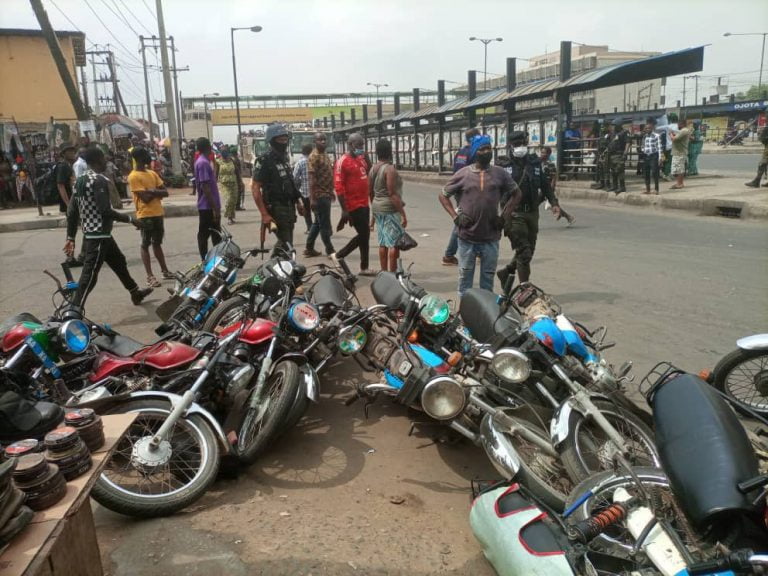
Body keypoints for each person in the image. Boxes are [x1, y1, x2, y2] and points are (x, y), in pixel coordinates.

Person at [63, 146, 151, 313]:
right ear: (97, 160)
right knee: (89, 275)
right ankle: (74, 310)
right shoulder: (99, 180)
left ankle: (135, 292)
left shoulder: (80, 181)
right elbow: (105, 211)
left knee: (118, 261)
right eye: (103, 159)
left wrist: (71, 237)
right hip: (98, 234)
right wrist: (131, 220)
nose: (106, 162)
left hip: (93, 233)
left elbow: (72, 211)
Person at [440, 134, 518, 297]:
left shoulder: (500, 173)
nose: (486, 151)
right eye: (482, 149)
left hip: (491, 239)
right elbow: (443, 195)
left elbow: (516, 194)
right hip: (467, 238)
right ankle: (464, 315)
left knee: (487, 283)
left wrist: (504, 217)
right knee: (465, 283)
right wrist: (455, 216)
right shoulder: (463, 174)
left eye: (488, 148)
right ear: (476, 152)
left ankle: (484, 317)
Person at [496, 131, 559, 289]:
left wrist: (554, 203)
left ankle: (507, 271)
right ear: (510, 146)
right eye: (517, 145)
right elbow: (495, 190)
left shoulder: (534, 162)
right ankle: (525, 287)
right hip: (513, 213)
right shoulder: (503, 165)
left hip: (532, 212)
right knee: (524, 252)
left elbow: (545, 185)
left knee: (529, 250)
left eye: (523, 144)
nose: (521, 147)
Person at [252, 123, 303, 255]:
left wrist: (298, 201)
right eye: (280, 140)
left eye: (285, 139)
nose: (284, 142)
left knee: (285, 244)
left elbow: (290, 182)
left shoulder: (284, 159)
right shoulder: (264, 161)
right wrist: (264, 214)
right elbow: (255, 188)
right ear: (272, 141)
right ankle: (280, 270)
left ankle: (274, 270)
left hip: (289, 208)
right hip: (276, 208)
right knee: (287, 245)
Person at [128, 147, 172, 287]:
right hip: (145, 214)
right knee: (145, 243)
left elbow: (165, 192)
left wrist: (151, 191)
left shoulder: (152, 173)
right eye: (145, 155)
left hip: (158, 213)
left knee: (157, 243)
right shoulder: (133, 176)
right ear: (139, 158)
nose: (148, 157)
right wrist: (156, 192)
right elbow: (145, 199)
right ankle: (150, 276)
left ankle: (164, 270)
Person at [334, 133, 375, 276]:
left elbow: (370, 172)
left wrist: (367, 157)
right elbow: (339, 188)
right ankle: (339, 255)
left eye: (363, 145)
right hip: (353, 205)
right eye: (359, 145)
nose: (361, 148)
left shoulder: (361, 159)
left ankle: (364, 267)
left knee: (365, 235)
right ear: (351, 145)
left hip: (364, 203)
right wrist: (344, 210)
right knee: (364, 234)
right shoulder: (342, 162)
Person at [442, 127, 480, 266]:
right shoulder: (474, 153)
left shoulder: (460, 152)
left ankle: (477, 252)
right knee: (463, 221)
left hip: (458, 188)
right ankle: (449, 254)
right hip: (469, 190)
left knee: (472, 219)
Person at [369, 139, 407, 272]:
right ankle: (392, 274)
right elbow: (392, 194)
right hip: (389, 210)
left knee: (382, 243)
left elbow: (371, 193)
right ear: (390, 152)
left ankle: (384, 272)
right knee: (394, 244)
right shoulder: (389, 169)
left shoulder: (373, 168)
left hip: (377, 208)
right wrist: (403, 214)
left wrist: (373, 216)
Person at [305, 133, 336, 258]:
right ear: (315, 141)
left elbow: (327, 174)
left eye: (324, 139)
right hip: (320, 195)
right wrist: (312, 199)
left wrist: (331, 191)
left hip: (326, 193)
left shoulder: (325, 154)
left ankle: (309, 247)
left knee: (317, 223)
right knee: (324, 224)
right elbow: (312, 179)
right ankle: (330, 250)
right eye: (320, 139)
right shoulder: (314, 156)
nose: (323, 141)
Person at [194, 137, 222, 260]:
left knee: (216, 234)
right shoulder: (203, 163)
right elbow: (205, 187)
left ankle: (217, 259)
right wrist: (215, 208)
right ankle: (204, 259)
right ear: (208, 147)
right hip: (207, 206)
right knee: (205, 234)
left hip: (209, 205)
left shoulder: (204, 161)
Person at [539, 147, 575, 225]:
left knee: (551, 205)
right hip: (540, 187)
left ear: (548, 154)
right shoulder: (539, 163)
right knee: (553, 205)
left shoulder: (550, 164)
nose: (542, 154)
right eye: (541, 152)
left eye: (544, 153)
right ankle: (567, 216)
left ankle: (568, 217)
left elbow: (553, 178)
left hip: (547, 188)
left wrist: (551, 189)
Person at [293, 143, 314, 233]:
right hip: (316, 191)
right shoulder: (315, 161)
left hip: (304, 192)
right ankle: (319, 228)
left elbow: (294, 177)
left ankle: (310, 228)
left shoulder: (300, 162)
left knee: (307, 210)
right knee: (317, 211)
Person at [217, 147, 238, 225]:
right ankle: (228, 217)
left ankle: (231, 217)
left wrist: (241, 182)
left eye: (226, 152)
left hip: (234, 182)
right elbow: (215, 173)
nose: (225, 154)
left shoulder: (232, 160)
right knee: (228, 200)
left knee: (233, 201)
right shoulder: (218, 162)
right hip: (224, 184)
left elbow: (237, 171)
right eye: (223, 152)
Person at [606, 119, 628, 193]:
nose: (613, 127)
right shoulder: (613, 133)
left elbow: (628, 143)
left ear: (619, 125)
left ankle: (622, 187)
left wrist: (625, 153)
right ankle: (615, 186)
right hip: (612, 154)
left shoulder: (624, 132)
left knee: (620, 171)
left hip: (619, 154)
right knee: (613, 171)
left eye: (614, 125)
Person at [641, 118, 662, 194]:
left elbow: (659, 147)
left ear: (652, 128)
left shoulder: (656, 136)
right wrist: (643, 150)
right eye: (646, 128)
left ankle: (656, 189)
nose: (647, 129)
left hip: (654, 156)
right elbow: (643, 145)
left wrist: (660, 158)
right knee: (646, 173)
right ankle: (648, 189)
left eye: (649, 128)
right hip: (646, 156)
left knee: (654, 172)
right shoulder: (644, 136)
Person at [669, 119, 691, 190]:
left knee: (679, 169)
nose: (677, 126)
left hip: (680, 152)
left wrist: (671, 134)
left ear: (682, 124)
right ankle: (679, 183)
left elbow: (674, 139)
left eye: (678, 124)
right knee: (678, 168)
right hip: (678, 152)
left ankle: (680, 184)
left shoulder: (684, 130)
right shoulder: (683, 131)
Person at [590, 123, 611, 189]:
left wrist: (605, 152)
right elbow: (598, 144)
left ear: (607, 127)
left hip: (606, 153)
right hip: (599, 153)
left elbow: (610, 145)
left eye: (604, 127)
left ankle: (607, 184)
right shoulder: (600, 135)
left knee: (606, 169)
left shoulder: (609, 135)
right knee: (600, 168)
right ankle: (602, 183)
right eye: (601, 127)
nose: (602, 128)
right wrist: (598, 153)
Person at [230, 145, 246, 210]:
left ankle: (234, 205)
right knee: (239, 191)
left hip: (231, 178)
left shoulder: (230, 159)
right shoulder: (236, 160)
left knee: (233, 192)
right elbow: (238, 171)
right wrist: (240, 180)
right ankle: (237, 206)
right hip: (237, 177)